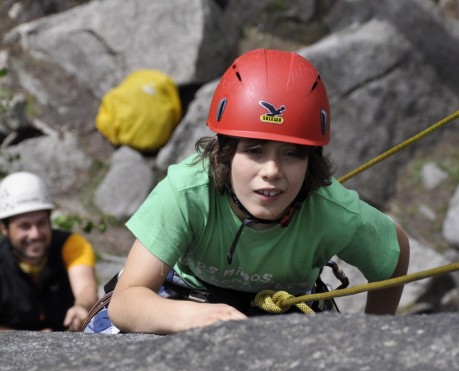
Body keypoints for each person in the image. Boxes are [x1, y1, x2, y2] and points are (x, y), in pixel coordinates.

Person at [90, 48, 409, 335]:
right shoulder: (189, 192)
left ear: (310, 161)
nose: (271, 171)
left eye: (292, 154)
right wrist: (192, 317)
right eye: (255, 150)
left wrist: (374, 338)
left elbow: (393, 252)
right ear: (225, 154)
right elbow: (126, 302)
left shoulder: (330, 210)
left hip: (282, 307)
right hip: (184, 295)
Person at [0, 171, 99, 331]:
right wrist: (31, 338)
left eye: (41, 223)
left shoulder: (73, 245)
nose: (35, 234)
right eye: (24, 226)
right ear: (5, 229)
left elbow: (86, 288)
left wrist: (81, 306)